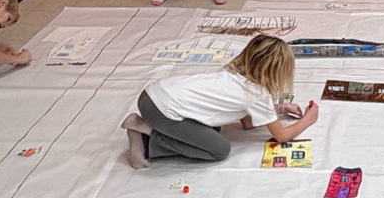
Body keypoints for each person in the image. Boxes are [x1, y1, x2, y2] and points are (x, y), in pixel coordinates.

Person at [121, 34, 317, 169]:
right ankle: (146, 139)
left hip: (153, 93)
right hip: (161, 110)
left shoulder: (235, 72)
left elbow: (247, 122)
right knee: (219, 149)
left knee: (213, 130)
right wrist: (308, 120)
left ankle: (148, 130)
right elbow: (281, 136)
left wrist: (279, 109)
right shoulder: (258, 93)